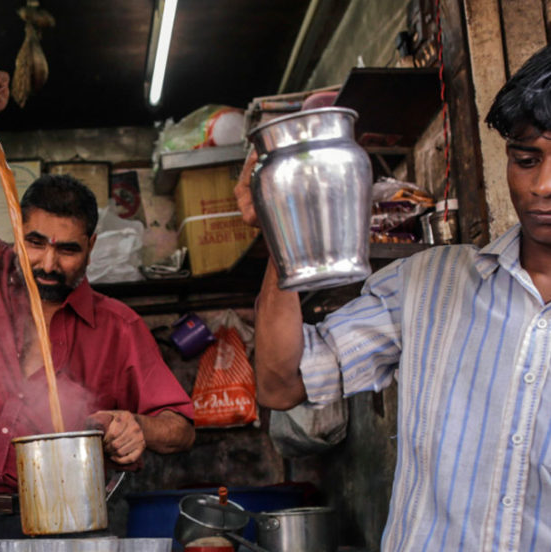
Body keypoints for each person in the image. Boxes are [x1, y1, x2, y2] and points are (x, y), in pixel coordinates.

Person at [235, 44, 551, 551]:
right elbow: (280, 385)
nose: (543, 185)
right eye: (526, 159)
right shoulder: (430, 284)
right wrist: (281, 227)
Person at [0, 67, 196, 552]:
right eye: (36, 243)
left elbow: (181, 426)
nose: (48, 263)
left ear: (91, 246)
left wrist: (141, 428)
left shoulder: (119, 327)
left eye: (67, 250)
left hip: (58, 528)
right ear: (17, 232)